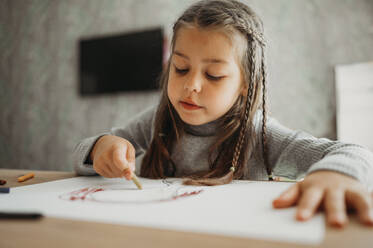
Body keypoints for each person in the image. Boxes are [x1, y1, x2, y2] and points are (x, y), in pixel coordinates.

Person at [73, 0, 373, 228]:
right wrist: (101, 148)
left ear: (244, 84)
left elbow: (354, 152)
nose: (191, 85)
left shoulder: (260, 133)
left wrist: (335, 174)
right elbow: (82, 158)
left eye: (214, 75)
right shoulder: (158, 119)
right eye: (181, 68)